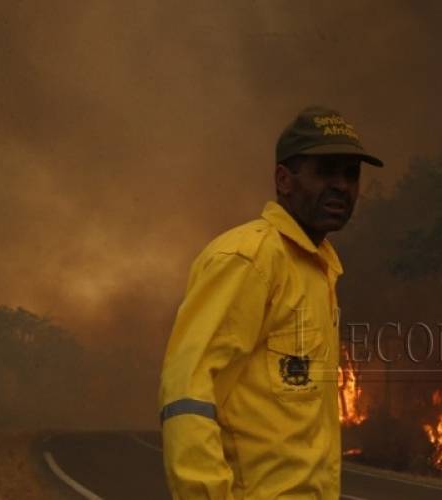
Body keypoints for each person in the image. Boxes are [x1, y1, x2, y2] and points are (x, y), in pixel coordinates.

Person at [158, 106, 382, 499]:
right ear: (284, 180)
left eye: (351, 174)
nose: (342, 186)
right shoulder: (248, 259)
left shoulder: (319, 271)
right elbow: (189, 392)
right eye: (326, 171)